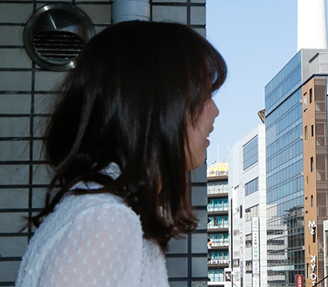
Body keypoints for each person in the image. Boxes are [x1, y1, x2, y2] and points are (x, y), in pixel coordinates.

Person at [15, 21, 226, 287]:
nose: (215, 110)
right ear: (157, 106)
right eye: (204, 94)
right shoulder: (107, 220)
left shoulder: (104, 207)